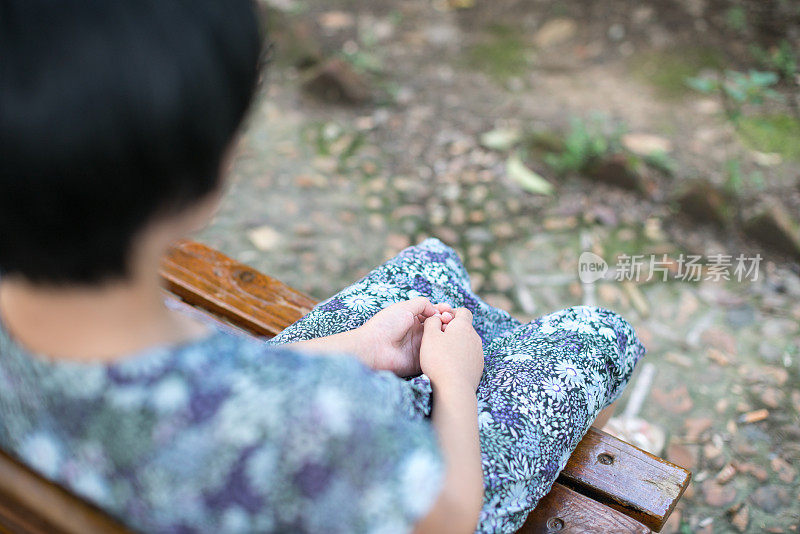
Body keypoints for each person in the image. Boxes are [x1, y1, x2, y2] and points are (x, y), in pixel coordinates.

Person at [0, 1, 644, 533]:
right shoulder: (324, 418)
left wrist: (349, 349)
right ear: (202, 172)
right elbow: (447, 518)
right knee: (597, 334)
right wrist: (454, 386)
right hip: (362, 487)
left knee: (431, 272)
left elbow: (183, 386)